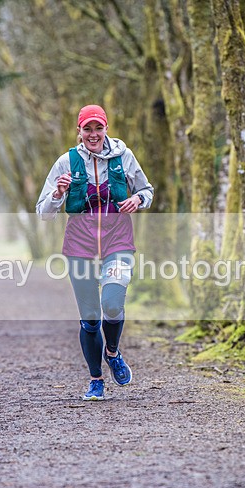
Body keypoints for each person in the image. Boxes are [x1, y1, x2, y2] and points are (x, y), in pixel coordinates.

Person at [36, 104, 154, 400]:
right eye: (87, 129)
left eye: (97, 128)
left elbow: (147, 190)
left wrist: (137, 200)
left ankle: (112, 353)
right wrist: (57, 194)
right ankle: (96, 380)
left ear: (106, 129)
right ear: (79, 131)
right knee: (90, 318)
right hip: (80, 245)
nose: (93, 134)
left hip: (118, 241)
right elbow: (43, 213)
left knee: (113, 305)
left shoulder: (123, 157)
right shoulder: (66, 162)